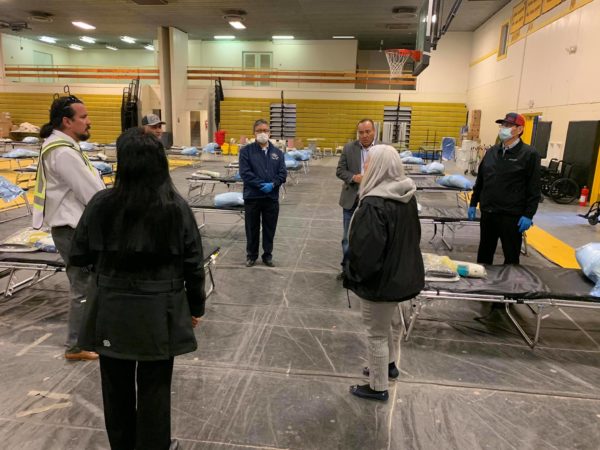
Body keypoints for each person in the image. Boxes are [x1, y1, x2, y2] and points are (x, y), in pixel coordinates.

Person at [70, 128, 205, 450]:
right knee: (155, 390)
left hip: (111, 310)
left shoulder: (101, 203)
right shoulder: (176, 207)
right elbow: (193, 265)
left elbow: (79, 254)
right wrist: (196, 308)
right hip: (160, 312)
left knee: (114, 390)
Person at [343, 144, 424, 402]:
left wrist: (354, 275)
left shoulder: (374, 204)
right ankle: (388, 364)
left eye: (368, 163)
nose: (364, 167)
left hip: (379, 280)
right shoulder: (406, 196)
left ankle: (378, 386)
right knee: (385, 322)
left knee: (375, 332)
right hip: (399, 274)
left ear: (378, 166)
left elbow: (366, 252)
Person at [35, 95, 106, 361]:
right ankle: (76, 345)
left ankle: (85, 339)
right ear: (66, 121)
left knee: (87, 284)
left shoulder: (61, 146)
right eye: (83, 117)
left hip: (72, 227)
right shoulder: (63, 152)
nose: (88, 122)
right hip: (72, 229)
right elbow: (92, 194)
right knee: (83, 286)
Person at [468, 112, 541, 265]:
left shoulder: (529, 154)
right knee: (484, 253)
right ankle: (481, 286)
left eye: (508, 126)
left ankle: (511, 287)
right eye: (502, 125)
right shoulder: (492, 151)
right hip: (489, 213)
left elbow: (534, 188)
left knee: (511, 256)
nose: (503, 128)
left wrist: (529, 214)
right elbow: (481, 180)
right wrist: (474, 203)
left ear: (519, 129)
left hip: (511, 216)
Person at [238, 119, 287, 267]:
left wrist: (273, 184)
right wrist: (260, 185)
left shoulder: (277, 153)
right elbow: (245, 173)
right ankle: (251, 255)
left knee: (269, 228)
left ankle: (267, 255)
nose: (262, 133)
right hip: (253, 197)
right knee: (251, 228)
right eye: (259, 131)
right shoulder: (246, 151)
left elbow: (282, 174)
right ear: (254, 133)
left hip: (271, 198)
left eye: (265, 130)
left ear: (270, 133)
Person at [336, 118, 377, 279]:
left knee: (371, 237)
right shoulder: (348, 148)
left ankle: (367, 269)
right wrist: (354, 177)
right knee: (347, 238)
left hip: (374, 201)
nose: (365, 135)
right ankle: (346, 269)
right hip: (351, 200)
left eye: (368, 131)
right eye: (361, 132)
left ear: (374, 131)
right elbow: (340, 171)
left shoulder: (383, 149)